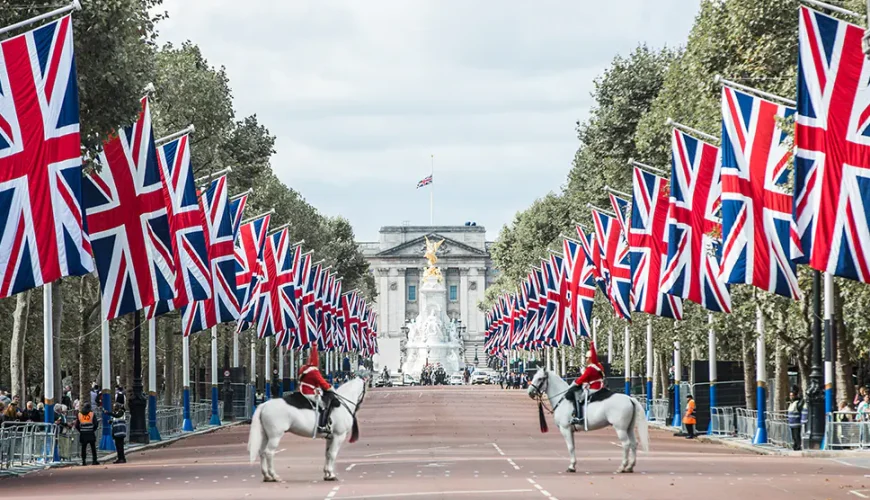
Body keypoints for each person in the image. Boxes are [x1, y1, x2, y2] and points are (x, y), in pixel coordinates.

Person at [298, 346, 336, 434]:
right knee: (323, 405)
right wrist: (331, 388)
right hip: (309, 391)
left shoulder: (303, 368)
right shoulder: (314, 370)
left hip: (303, 389)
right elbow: (322, 383)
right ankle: (321, 426)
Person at [568, 342, 606, 426]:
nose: (586, 360)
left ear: (590, 358)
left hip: (594, 387)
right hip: (600, 386)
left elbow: (583, 378)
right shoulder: (599, 366)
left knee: (579, 397)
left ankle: (579, 417)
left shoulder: (590, 368)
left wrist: (574, 383)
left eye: (587, 358)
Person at [787, 386, 804, 450]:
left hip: (796, 423)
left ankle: (798, 446)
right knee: (793, 437)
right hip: (791, 424)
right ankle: (795, 446)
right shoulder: (791, 403)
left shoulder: (797, 403)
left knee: (797, 436)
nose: (791, 397)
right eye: (790, 395)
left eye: (792, 395)